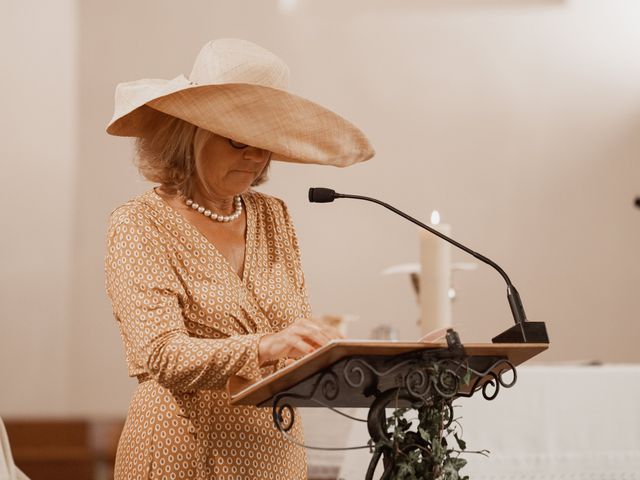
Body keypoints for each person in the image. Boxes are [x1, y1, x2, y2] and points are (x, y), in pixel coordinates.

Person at [104, 38, 374, 479]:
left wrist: (413, 357)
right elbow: (162, 354)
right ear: (189, 132)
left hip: (276, 454)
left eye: (265, 142)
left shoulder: (273, 216)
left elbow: (295, 341)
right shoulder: (138, 223)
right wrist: (267, 345)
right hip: (182, 452)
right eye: (238, 139)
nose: (256, 156)